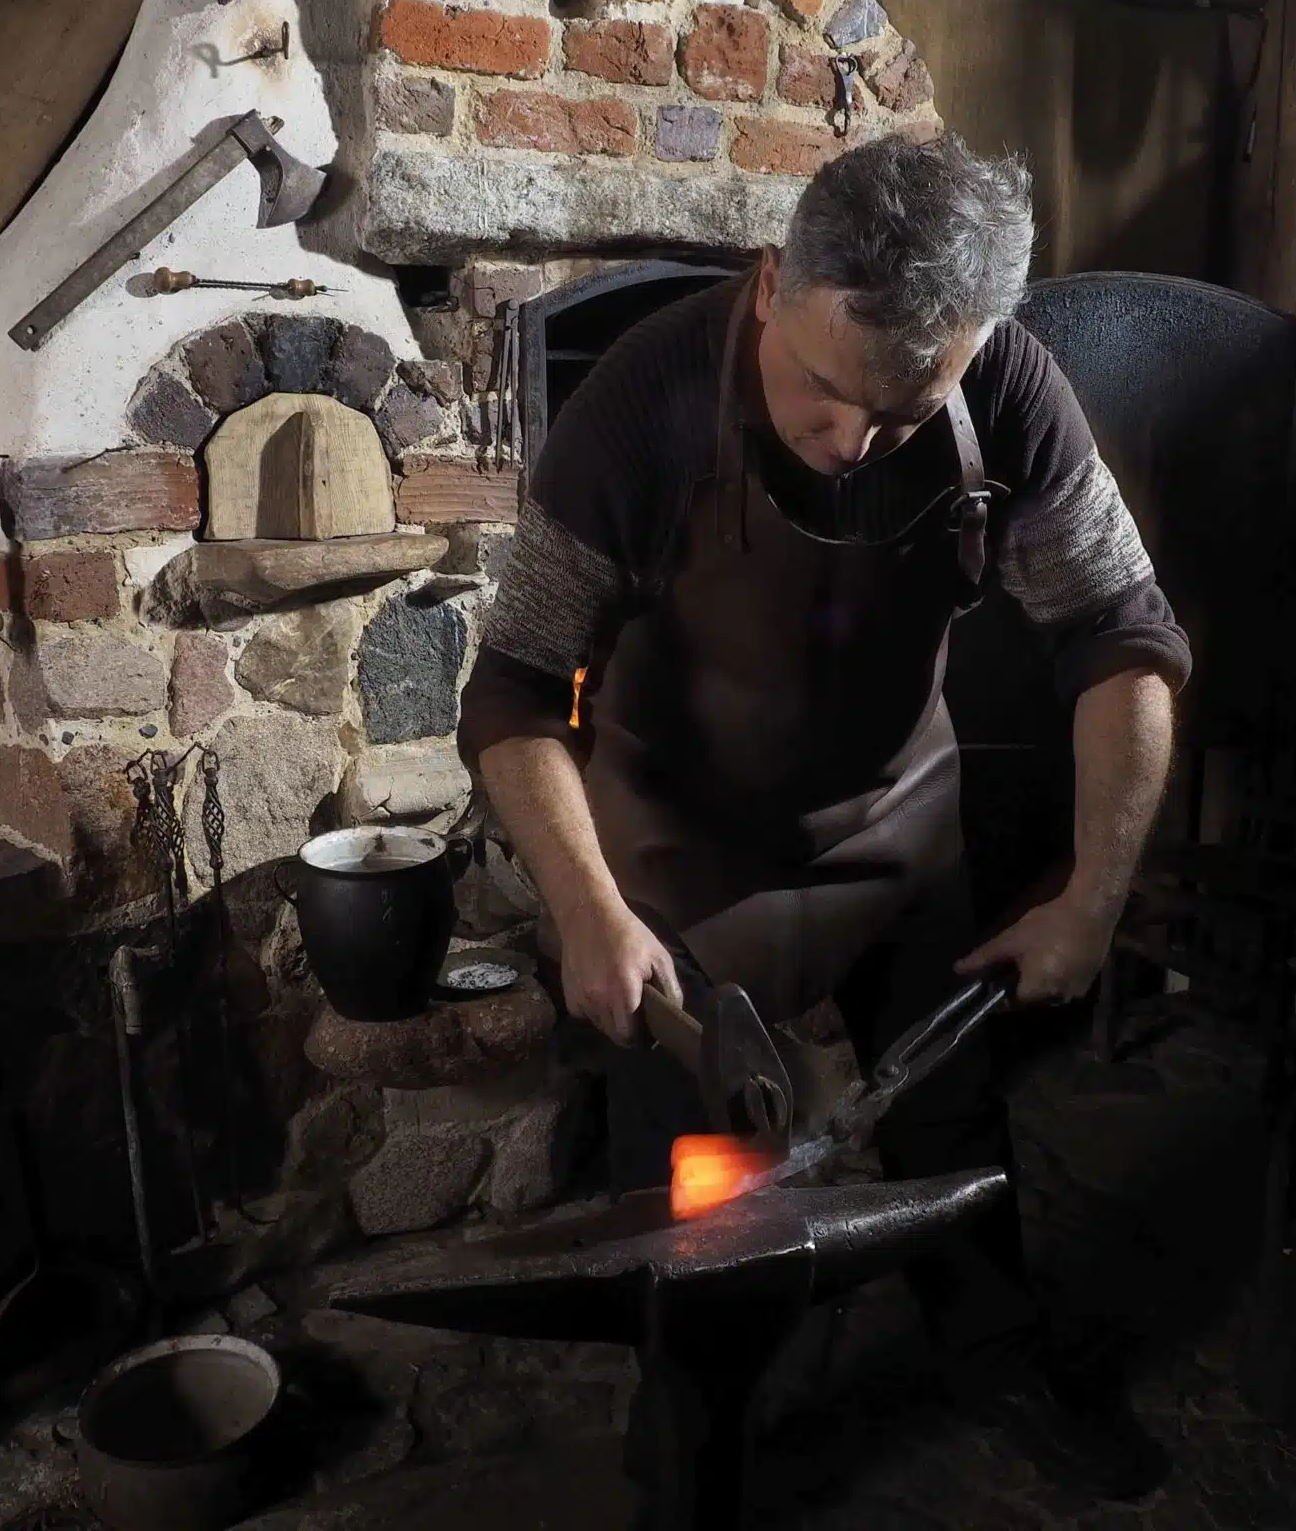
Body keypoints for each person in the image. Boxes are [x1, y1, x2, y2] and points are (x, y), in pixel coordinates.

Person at [456, 131, 1188, 1500]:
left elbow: (1122, 636)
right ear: (769, 282)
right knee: (693, 1186)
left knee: (954, 1126)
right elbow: (515, 688)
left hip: (898, 823)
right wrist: (586, 909)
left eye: (903, 418)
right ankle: (694, 1434)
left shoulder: (1011, 388)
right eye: (826, 394)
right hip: (676, 855)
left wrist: (1093, 897)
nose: (853, 446)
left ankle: (996, 1361)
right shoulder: (644, 397)